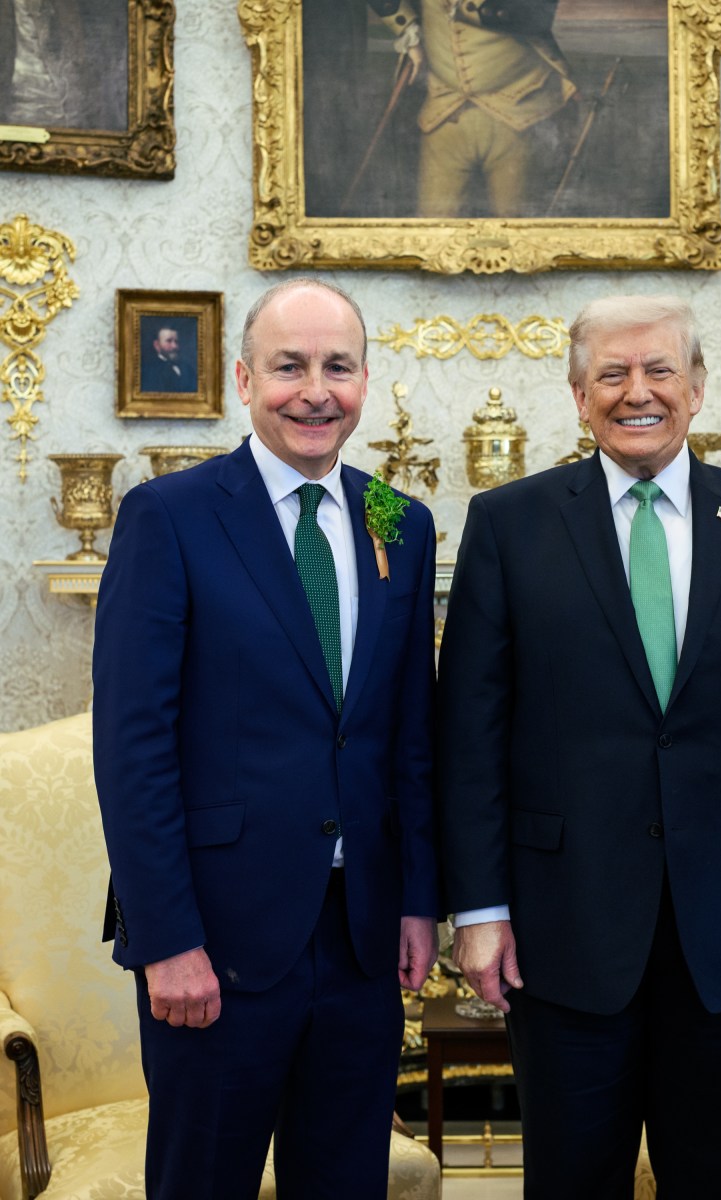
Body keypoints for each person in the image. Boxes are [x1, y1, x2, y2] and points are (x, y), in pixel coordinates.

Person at [436, 294, 721, 1198]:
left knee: (719, 1180)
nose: (639, 392)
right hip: (563, 926)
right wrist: (478, 910)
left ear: (698, 388)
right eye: (613, 375)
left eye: (660, 370)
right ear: (579, 396)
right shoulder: (509, 525)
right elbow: (469, 735)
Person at [93, 278, 440, 1199]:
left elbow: (408, 735)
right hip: (216, 939)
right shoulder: (168, 517)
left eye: (337, 367)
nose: (314, 391)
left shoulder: (401, 524)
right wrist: (166, 939)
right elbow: (134, 749)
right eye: (289, 367)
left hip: (360, 936)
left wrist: (417, 900)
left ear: (366, 380)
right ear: (245, 380)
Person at [370, 0, 576, 217]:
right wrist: (409, 31)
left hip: (520, 109)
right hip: (444, 110)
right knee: (435, 226)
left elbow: (531, 16)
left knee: (516, 224)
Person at [140, 324, 196, 393]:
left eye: (176, 341)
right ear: (157, 345)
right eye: (169, 341)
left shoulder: (187, 368)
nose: (175, 346)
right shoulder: (148, 371)